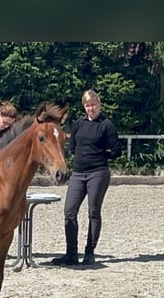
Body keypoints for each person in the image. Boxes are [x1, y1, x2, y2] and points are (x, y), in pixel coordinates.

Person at [51, 89, 121, 266]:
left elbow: (116, 151)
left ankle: (90, 251)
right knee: (69, 211)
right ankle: (71, 252)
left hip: (98, 172)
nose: (91, 108)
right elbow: (72, 146)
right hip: (78, 172)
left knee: (93, 212)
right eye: (88, 105)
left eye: (94, 105)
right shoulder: (78, 124)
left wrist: (101, 155)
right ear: (84, 107)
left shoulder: (106, 125)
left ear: (99, 104)